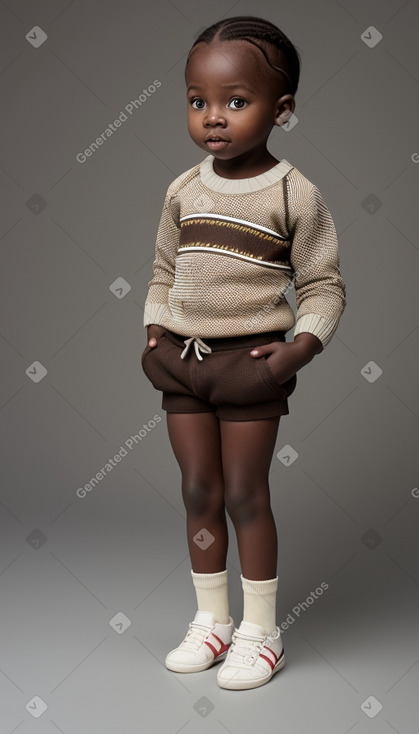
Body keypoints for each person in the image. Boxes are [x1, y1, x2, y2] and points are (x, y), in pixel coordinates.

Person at [141, 15, 346, 691]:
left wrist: (301, 348)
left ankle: (261, 633)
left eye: (235, 101)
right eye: (197, 101)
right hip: (183, 360)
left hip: (250, 366)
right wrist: (153, 331)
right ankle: (212, 620)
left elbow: (321, 283)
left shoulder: (293, 193)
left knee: (244, 495)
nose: (213, 118)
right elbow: (163, 270)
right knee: (198, 489)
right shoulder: (182, 189)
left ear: (280, 109)